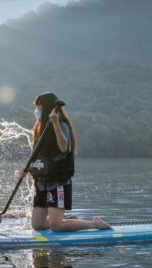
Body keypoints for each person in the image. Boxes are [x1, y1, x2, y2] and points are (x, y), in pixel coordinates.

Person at [26, 92, 110, 231]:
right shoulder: (39, 128)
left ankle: (94, 223)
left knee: (56, 226)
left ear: (46, 108)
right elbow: (39, 155)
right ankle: (70, 222)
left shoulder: (61, 125)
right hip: (42, 182)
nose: (37, 111)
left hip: (57, 181)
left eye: (39, 107)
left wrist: (55, 124)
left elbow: (64, 148)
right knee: (37, 225)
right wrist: (27, 168)